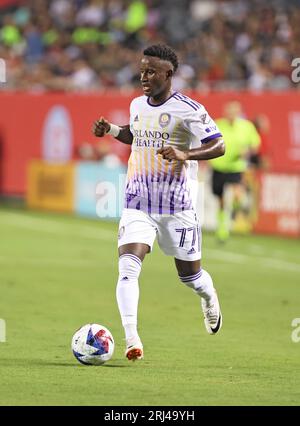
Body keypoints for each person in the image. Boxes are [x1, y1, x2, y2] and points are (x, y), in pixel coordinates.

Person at [93, 44, 225, 361]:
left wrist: (186, 154)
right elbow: (136, 134)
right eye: (142, 71)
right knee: (127, 268)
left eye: (151, 71)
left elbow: (219, 145)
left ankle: (209, 297)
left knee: (190, 277)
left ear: (168, 74)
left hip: (177, 208)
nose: (144, 76)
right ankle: (132, 339)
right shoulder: (137, 105)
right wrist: (111, 130)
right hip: (138, 203)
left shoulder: (189, 109)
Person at [209, 101, 261, 242]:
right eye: (229, 111)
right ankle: (222, 229)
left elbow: (255, 145)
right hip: (218, 166)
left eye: (234, 112)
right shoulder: (217, 124)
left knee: (237, 193)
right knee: (220, 199)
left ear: (239, 113)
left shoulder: (247, 127)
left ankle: (239, 205)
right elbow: (207, 142)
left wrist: (247, 152)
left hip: (236, 166)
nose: (231, 115)